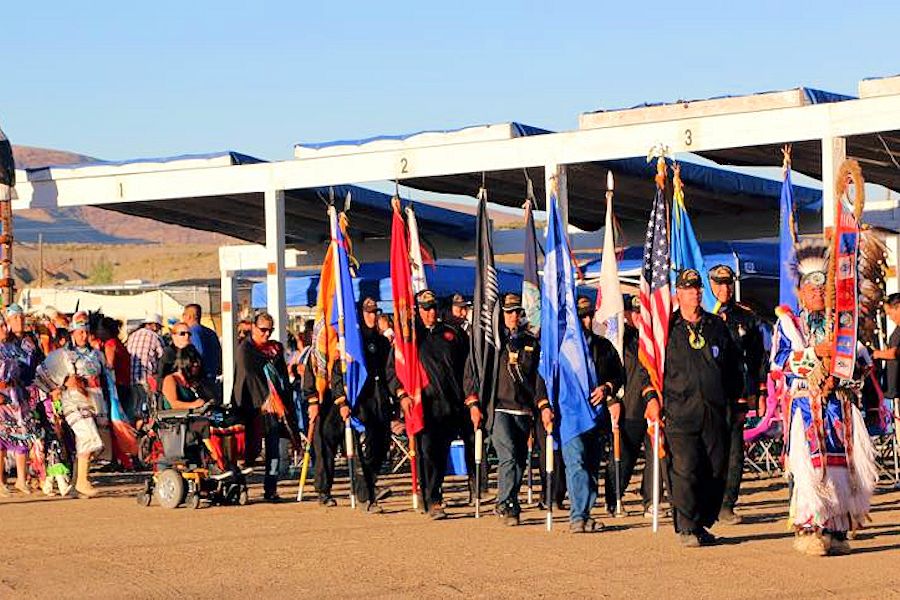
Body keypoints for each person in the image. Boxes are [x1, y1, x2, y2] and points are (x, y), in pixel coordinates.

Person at [771, 242, 877, 556]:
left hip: (839, 407)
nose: (817, 294)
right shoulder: (789, 323)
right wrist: (817, 353)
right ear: (801, 293)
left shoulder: (843, 325)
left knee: (841, 469)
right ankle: (808, 530)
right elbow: (780, 362)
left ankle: (837, 531)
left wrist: (839, 371)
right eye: (811, 289)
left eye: (822, 289)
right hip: (806, 406)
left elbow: (862, 363)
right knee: (809, 470)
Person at [661, 269, 742, 547]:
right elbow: (651, 368)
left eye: (697, 289)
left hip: (714, 411)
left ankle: (702, 523)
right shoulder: (666, 329)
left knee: (714, 470)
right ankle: (686, 526)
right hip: (680, 412)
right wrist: (651, 400)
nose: (694, 293)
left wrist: (739, 400)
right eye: (688, 289)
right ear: (678, 294)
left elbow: (733, 365)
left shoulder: (716, 326)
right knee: (686, 468)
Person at [387, 289, 474, 520]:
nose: (431, 312)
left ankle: (435, 491)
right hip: (422, 405)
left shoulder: (452, 334)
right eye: (426, 308)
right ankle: (432, 498)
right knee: (428, 452)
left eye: (434, 307)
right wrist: (401, 394)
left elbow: (467, 368)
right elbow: (394, 369)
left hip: (449, 405)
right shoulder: (409, 338)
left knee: (441, 453)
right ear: (417, 310)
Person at [541, 295, 623, 533]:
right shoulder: (560, 350)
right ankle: (577, 516)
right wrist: (545, 405)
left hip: (596, 416)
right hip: (569, 416)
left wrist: (607, 388)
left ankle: (585, 513)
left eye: (589, 315)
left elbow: (618, 375)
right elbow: (544, 378)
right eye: (581, 316)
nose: (586, 321)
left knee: (591, 465)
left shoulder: (603, 346)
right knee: (575, 464)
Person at [467, 293, 545, 526]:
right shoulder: (492, 343)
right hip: (499, 407)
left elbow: (538, 377)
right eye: (508, 312)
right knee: (508, 454)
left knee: (519, 459)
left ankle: (511, 501)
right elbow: (473, 371)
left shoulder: (530, 342)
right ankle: (505, 503)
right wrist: (473, 403)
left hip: (524, 408)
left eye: (516, 312)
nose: (512, 316)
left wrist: (539, 405)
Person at [707, 264, 768, 524]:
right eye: (719, 283)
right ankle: (706, 502)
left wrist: (761, 392)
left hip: (736, 394)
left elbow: (757, 358)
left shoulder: (746, 317)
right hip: (707, 396)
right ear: (710, 285)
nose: (725, 288)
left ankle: (727, 504)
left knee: (734, 451)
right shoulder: (699, 317)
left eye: (728, 283)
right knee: (708, 450)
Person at [603, 295, 670, 517]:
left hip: (653, 407)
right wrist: (612, 400)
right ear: (629, 314)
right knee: (624, 457)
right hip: (628, 406)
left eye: (644, 313)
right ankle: (614, 500)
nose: (640, 317)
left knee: (655, 455)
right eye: (636, 312)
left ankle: (651, 500)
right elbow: (609, 372)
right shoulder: (620, 340)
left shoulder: (656, 340)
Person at [34, 311, 109, 497]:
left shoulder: (97, 355)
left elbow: (107, 380)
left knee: (93, 442)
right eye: (79, 332)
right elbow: (41, 374)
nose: (83, 335)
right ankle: (83, 481)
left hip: (95, 401)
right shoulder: (63, 355)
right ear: (72, 333)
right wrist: (62, 384)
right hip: (73, 402)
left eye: (85, 331)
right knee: (89, 437)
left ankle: (77, 483)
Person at [331, 297, 394, 512]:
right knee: (364, 450)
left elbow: (389, 372)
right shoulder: (352, 344)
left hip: (381, 401)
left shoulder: (383, 342)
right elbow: (338, 373)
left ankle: (368, 486)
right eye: (368, 312)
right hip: (361, 402)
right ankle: (367, 496)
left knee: (382, 446)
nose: (372, 316)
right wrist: (342, 401)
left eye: (375, 311)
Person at [232, 312, 297, 502]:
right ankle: (238, 487)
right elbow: (248, 376)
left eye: (270, 330)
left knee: (273, 447)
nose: (267, 334)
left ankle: (271, 489)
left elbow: (282, 377)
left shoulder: (275, 350)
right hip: (249, 404)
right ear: (253, 327)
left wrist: (283, 401)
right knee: (246, 451)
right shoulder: (245, 348)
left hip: (274, 407)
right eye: (263, 330)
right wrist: (265, 398)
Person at [0, 318, 34, 496]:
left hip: (15, 395)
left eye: (5, 325)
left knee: (21, 436)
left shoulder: (12, 347)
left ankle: (22, 479)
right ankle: (0, 482)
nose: (5, 329)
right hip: (1, 396)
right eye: (1, 326)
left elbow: (27, 367)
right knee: (1, 441)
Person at [126, 313, 165, 421]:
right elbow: (163, 358)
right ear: (154, 325)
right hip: (146, 378)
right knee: (146, 410)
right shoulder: (155, 337)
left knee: (135, 409)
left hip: (131, 378)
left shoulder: (132, 336)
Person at [97, 317, 133, 422]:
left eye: (100, 329)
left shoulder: (110, 344)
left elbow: (109, 366)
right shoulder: (117, 342)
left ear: (106, 330)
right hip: (125, 384)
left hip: (118, 386)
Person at [182, 304, 222, 383]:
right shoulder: (211, 333)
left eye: (184, 314)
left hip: (200, 379)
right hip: (212, 376)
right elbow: (219, 353)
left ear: (189, 316)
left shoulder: (192, 332)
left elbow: (198, 353)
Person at [871, 293, 900, 401]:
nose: (890, 318)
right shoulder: (898, 328)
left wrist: (877, 354)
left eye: (890, 314)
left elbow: (897, 352)